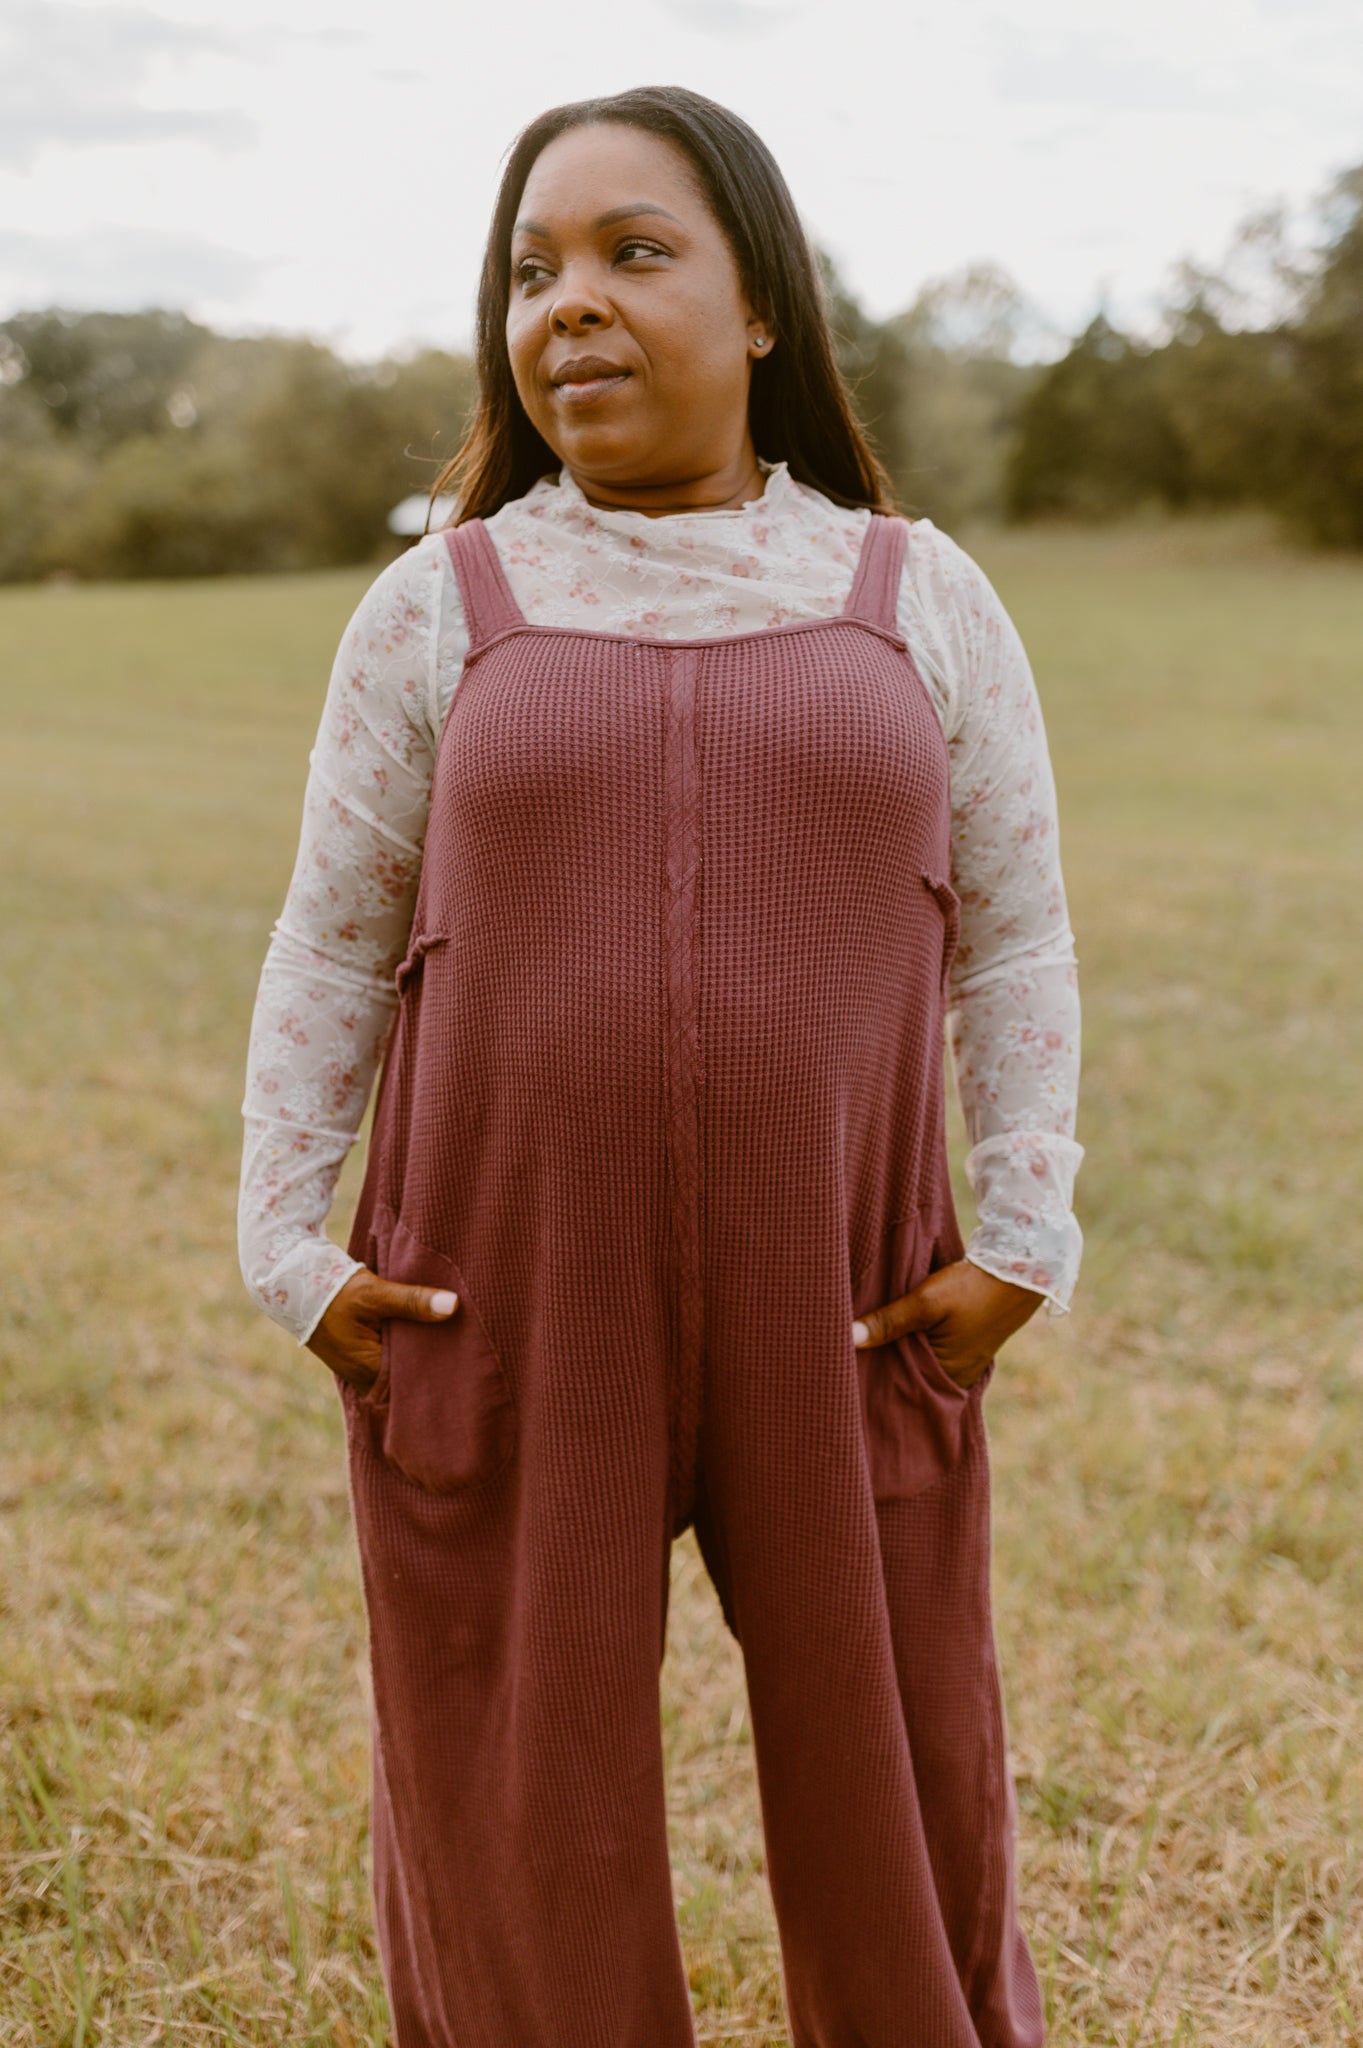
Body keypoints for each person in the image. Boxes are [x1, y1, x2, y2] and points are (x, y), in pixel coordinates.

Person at [238, 83, 1082, 2048]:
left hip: (853, 1302)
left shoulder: (914, 596)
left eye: (634, 254)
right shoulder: (440, 610)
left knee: (901, 1789)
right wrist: (292, 1246)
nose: (571, 308)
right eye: (532, 272)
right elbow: (332, 936)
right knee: (521, 1795)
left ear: (761, 301)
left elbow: (1020, 929)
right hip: (507, 1302)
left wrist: (1022, 1229)